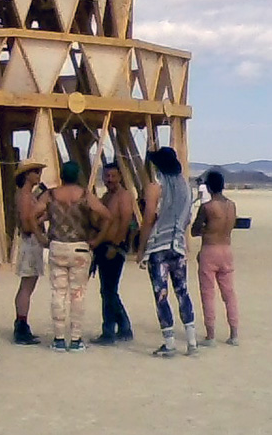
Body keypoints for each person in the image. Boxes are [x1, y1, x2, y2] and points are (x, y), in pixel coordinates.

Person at [38, 161, 109, 352]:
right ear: (78, 175)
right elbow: (106, 215)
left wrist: (41, 237)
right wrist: (97, 239)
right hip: (80, 247)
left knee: (58, 292)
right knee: (78, 294)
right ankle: (76, 338)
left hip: (57, 246)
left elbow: (31, 215)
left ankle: (59, 338)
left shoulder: (51, 194)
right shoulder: (85, 195)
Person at [137, 147, 198, 357]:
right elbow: (188, 218)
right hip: (178, 245)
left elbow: (148, 220)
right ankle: (191, 341)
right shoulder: (187, 188)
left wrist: (141, 249)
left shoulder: (155, 188)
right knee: (183, 292)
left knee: (161, 294)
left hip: (158, 247)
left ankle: (170, 342)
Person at [192, 170, 240, 346]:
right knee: (229, 293)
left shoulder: (208, 207)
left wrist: (205, 229)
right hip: (226, 248)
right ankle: (234, 332)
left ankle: (211, 334)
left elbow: (195, 230)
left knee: (208, 293)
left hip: (210, 249)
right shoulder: (231, 205)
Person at [90, 163, 135, 345]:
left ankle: (109, 330)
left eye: (113, 176)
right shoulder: (106, 196)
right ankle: (123, 327)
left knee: (109, 291)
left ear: (120, 177)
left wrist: (115, 246)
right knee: (107, 290)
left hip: (114, 248)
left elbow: (125, 221)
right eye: (107, 176)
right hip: (104, 247)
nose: (109, 180)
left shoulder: (123, 196)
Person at [12, 160, 47, 345]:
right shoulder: (25, 196)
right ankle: (21, 325)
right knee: (27, 286)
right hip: (30, 242)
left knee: (27, 285)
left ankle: (21, 322)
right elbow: (27, 224)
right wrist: (42, 217)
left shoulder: (26, 194)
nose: (38, 175)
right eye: (36, 172)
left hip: (31, 243)